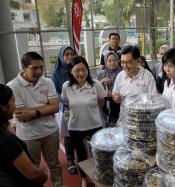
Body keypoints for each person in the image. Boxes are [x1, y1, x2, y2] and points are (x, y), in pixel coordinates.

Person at [7, 52, 63, 187]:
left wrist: (33, 112)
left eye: (41, 67)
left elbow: (55, 107)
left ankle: (59, 185)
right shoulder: (13, 86)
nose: (39, 71)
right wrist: (46, 108)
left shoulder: (47, 81)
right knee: (33, 167)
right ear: (24, 67)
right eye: (34, 68)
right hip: (28, 136)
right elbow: (22, 116)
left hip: (50, 131)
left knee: (54, 163)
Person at [62, 56, 106, 187]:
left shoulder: (96, 84)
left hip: (95, 125)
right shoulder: (66, 86)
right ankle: (84, 179)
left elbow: (101, 102)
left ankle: (99, 176)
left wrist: (88, 109)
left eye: (84, 69)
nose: (81, 73)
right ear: (70, 71)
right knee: (81, 156)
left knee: (98, 154)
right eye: (77, 70)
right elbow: (66, 104)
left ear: (88, 69)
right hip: (75, 127)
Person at [0, 84, 48, 187]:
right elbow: (33, 174)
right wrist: (44, 176)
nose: (15, 106)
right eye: (12, 101)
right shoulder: (7, 140)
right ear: (3, 108)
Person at [51, 46, 78, 174]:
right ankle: (70, 160)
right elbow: (55, 92)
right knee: (69, 134)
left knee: (82, 132)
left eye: (71, 54)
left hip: (80, 107)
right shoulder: (56, 73)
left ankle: (84, 157)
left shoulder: (76, 68)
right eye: (66, 54)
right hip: (67, 109)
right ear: (61, 56)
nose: (69, 57)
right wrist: (65, 100)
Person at [96, 51, 122, 127]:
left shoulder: (122, 73)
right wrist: (102, 82)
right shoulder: (100, 73)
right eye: (109, 61)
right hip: (103, 105)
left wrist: (113, 94)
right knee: (104, 125)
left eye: (114, 60)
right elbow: (94, 89)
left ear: (118, 61)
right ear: (105, 62)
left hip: (118, 105)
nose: (112, 63)